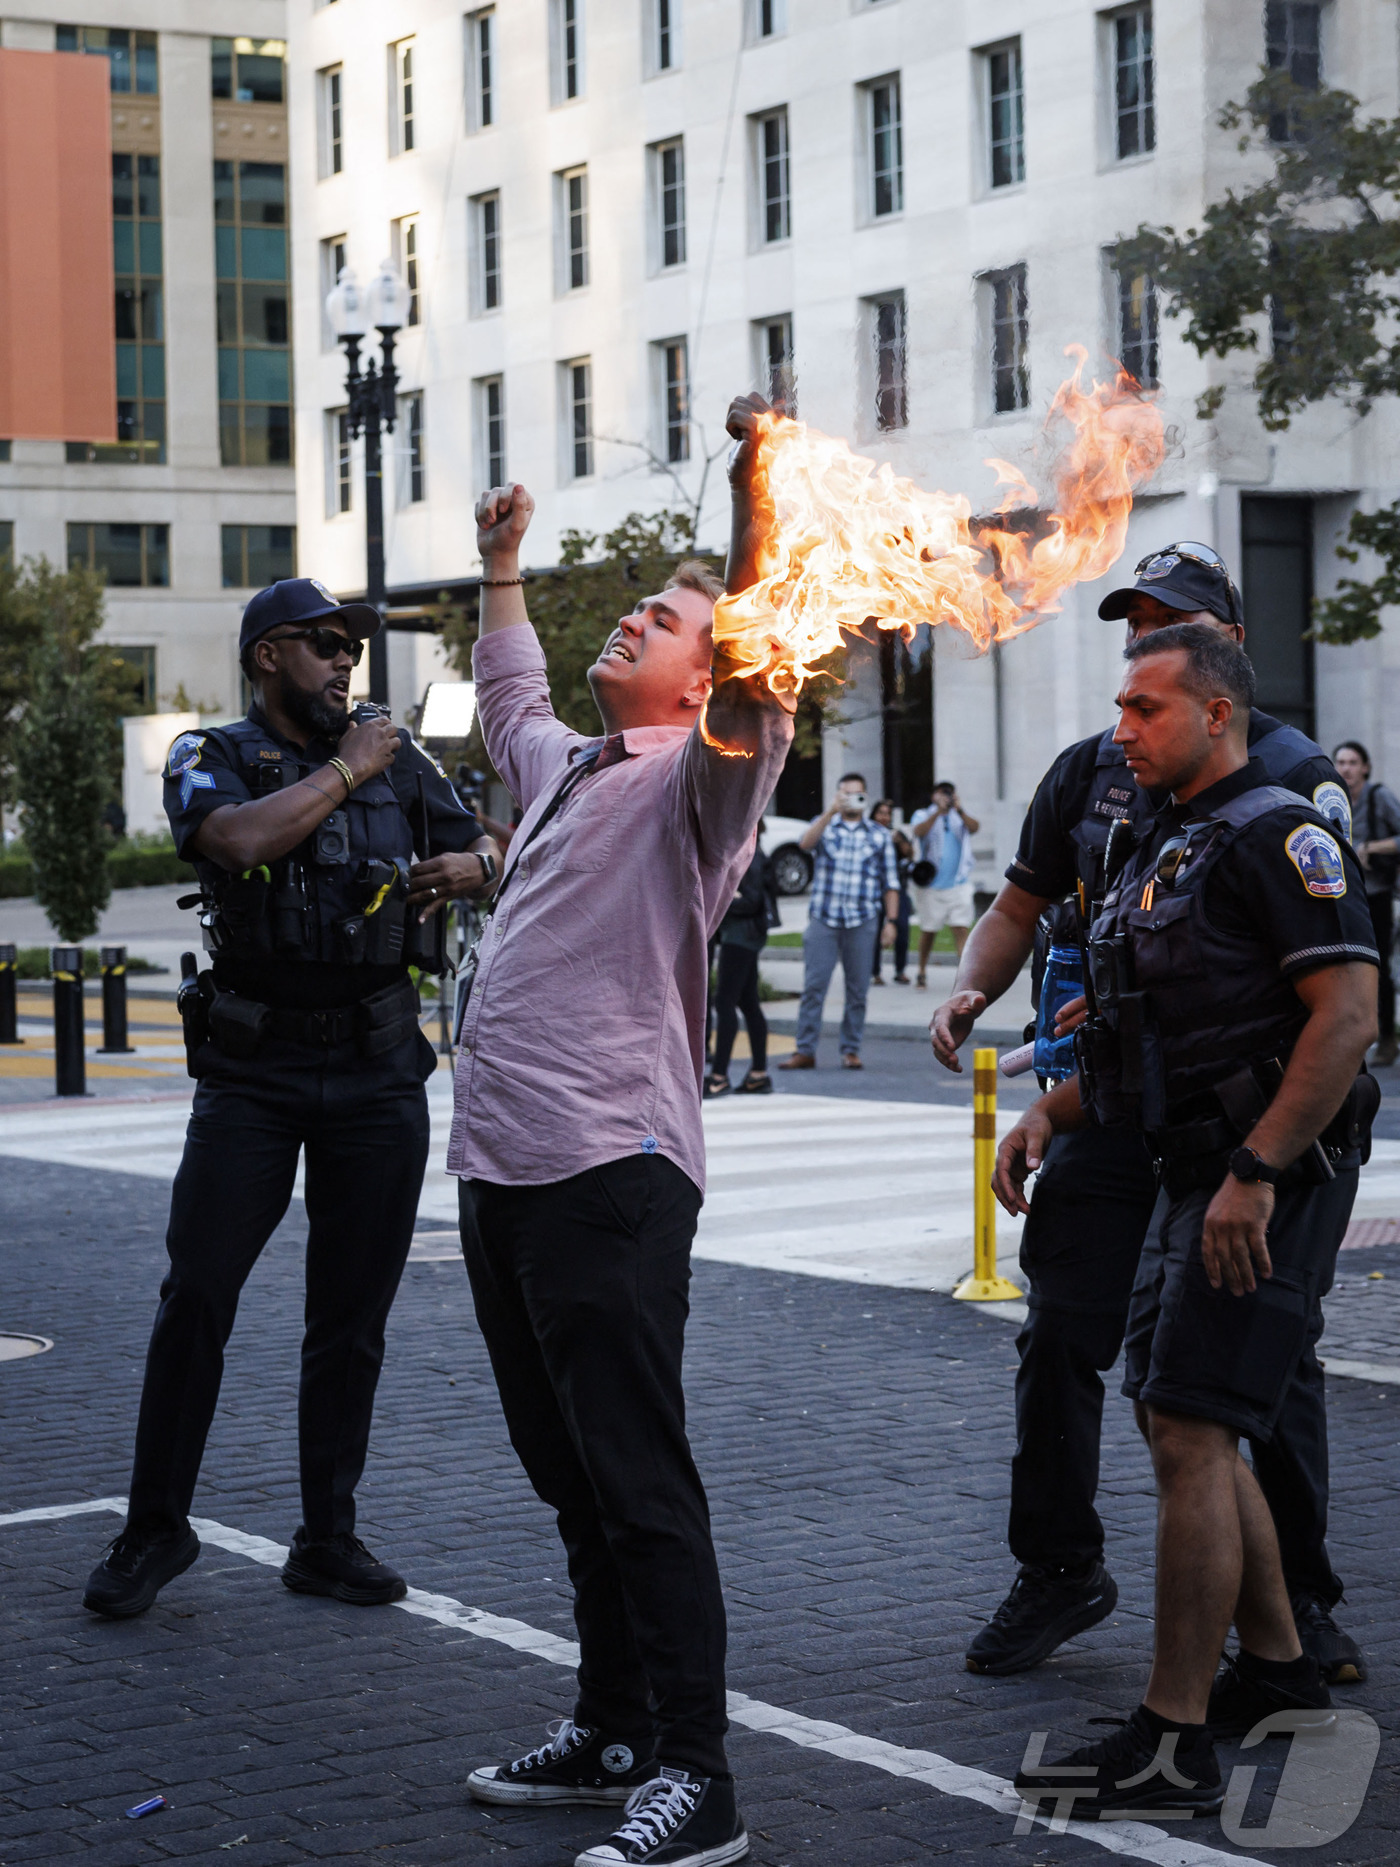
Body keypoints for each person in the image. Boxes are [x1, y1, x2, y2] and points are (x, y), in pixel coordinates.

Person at [929, 541, 1367, 1686]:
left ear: (1216, 663)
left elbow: (1340, 1002)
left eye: (1161, 629)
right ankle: (1059, 1568)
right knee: (1065, 1340)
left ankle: (1291, 1612)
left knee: (1242, 1376)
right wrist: (994, 1010)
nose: (1134, 650)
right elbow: (1022, 903)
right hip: (1116, 1094)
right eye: (1128, 630)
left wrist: (1261, 1159)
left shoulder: (1277, 787)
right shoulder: (1095, 769)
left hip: (1243, 1120)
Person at [455, 394, 793, 1867]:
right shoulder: (572, 770)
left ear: (700, 679)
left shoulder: (695, 790)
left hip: (613, 1172)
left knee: (638, 1474)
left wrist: (756, 494)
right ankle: (607, 1723)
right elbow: (510, 705)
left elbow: (760, 668)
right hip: (502, 1172)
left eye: (661, 618)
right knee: (568, 1468)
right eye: (635, 609)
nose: (632, 623)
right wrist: (505, 567)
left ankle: (696, 1771)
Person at [1001, 624, 1377, 1820]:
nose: (1121, 730)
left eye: (1144, 708)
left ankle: (1169, 1736)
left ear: (1213, 713)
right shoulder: (1165, 839)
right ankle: (1275, 1673)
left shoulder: (1281, 831)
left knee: (1193, 1432)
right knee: (1181, 1420)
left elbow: (1347, 1016)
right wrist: (1054, 1112)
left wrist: (1258, 1171)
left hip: (1265, 1177)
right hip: (1188, 1168)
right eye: (1118, 707)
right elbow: (1155, 1028)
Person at [83, 578, 500, 1619]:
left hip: (375, 1065)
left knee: (350, 1318)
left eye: (350, 650)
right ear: (268, 655)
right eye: (322, 646)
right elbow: (232, 842)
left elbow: (505, 845)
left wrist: (474, 860)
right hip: (254, 1073)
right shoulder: (212, 755)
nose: (344, 664)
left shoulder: (398, 761)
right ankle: (154, 1527)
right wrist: (348, 768)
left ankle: (326, 1536)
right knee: (198, 1296)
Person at [780, 775, 899, 1071]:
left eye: (857, 794)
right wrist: (830, 812)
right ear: (837, 796)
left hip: (862, 920)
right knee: (813, 987)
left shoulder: (879, 835)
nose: (851, 800)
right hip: (825, 918)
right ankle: (805, 1049)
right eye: (846, 794)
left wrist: (892, 921)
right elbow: (805, 845)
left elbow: (891, 883)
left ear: (866, 797)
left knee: (857, 989)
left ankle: (850, 1049)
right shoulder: (825, 826)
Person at [1334, 740, 1400, 1067]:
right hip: (1344, 896)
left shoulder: (1378, 797)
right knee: (1347, 968)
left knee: (1380, 969)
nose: (1345, 768)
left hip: (1376, 893)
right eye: (1340, 762)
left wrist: (1371, 847)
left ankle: (1387, 1037)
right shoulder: (1331, 799)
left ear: (1365, 767)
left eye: (1352, 762)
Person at [706, 830, 778, 1097]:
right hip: (743, 934)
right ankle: (758, 1074)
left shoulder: (751, 855)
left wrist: (723, 898)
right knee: (748, 1003)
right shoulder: (745, 850)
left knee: (724, 1002)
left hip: (743, 935)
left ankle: (719, 1076)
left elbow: (751, 900)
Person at [908, 782, 980, 982]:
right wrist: (938, 812)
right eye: (942, 793)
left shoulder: (960, 815)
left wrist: (959, 809)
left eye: (949, 793)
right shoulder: (924, 814)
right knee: (929, 930)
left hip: (959, 883)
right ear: (933, 796)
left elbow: (975, 827)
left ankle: (966, 976)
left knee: (961, 927)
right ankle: (921, 969)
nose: (946, 797)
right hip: (931, 885)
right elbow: (919, 831)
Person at [870, 800, 914, 984]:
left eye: (887, 814)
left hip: (897, 889)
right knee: (874, 931)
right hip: (873, 891)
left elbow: (910, 854)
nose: (884, 817)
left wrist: (900, 840)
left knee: (902, 928)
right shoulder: (867, 834)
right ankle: (874, 973)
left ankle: (900, 970)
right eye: (880, 813)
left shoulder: (896, 835)